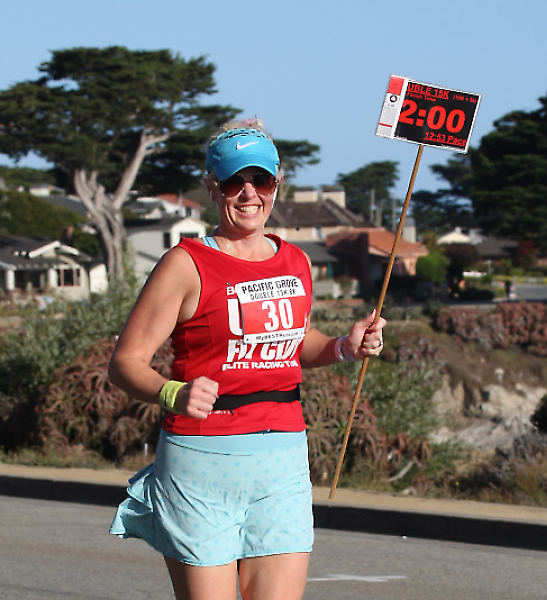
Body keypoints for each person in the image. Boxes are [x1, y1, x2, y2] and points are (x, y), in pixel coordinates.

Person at [108, 118, 387, 600]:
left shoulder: (295, 261)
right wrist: (173, 393)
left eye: (261, 179)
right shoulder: (185, 263)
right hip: (201, 463)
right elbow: (126, 362)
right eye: (234, 181)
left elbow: (293, 340)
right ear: (212, 187)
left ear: (277, 183)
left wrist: (345, 345)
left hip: (282, 459)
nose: (249, 192)